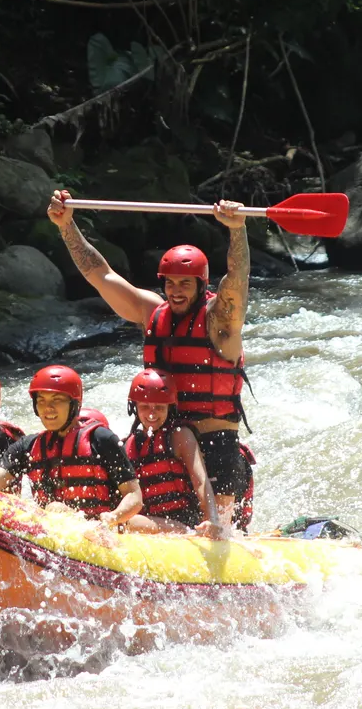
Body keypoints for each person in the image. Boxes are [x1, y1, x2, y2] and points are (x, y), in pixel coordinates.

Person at [48, 189, 252, 527]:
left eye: (185, 283)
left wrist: (237, 230)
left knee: (217, 531)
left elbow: (238, 282)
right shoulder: (151, 312)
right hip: (162, 441)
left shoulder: (221, 321)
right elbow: (101, 275)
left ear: (201, 285)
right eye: (170, 283)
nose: (175, 291)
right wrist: (66, 226)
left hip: (215, 445)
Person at [0, 365, 143, 528]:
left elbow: (134, 495)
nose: (48, 408)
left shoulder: (101, 439)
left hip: (97, 530)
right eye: (41, 401)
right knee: (54, 509)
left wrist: (113, 517)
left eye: (56, 400)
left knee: (56, 509)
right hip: (48, 530)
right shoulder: (27, 446)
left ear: (74, 404)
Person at [121, 369, 226, 539]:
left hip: (185, 524)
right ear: (135, 407)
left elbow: (201, 481)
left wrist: (212, 519)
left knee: (127, 522)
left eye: (159, 407)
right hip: (153, 523)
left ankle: (189, 534)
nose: (151, 413)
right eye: (145, 406)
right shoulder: (129, 445)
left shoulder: (180, 435)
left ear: (170, 407)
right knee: (121, 519)